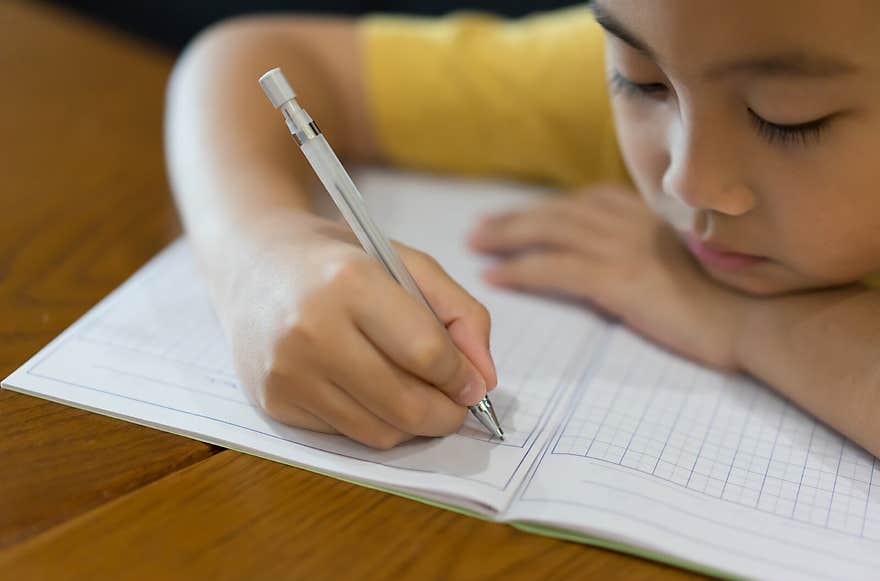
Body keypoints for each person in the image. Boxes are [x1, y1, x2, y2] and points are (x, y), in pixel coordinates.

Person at [164, 1, 880, 458]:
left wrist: (742, 323)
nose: (685, 182)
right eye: (641, 82)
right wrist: (256, 256)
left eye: (789, 117)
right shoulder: (679, 31)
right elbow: (252, 56)